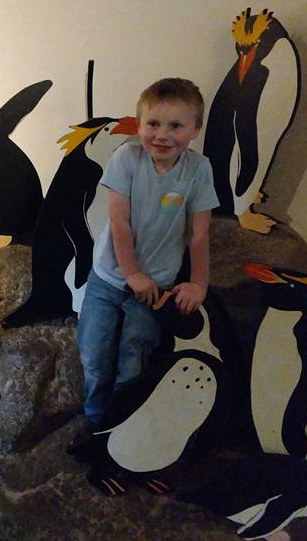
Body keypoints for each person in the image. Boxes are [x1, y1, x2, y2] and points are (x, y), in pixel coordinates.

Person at [72, 77, 219, 444]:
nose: (162, 135)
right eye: (153, 124)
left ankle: (122, 424)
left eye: (175, 126)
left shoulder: (198, 169)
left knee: (134, 358)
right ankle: (95, 421)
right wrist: (132, 273)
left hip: (156, 286)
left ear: (195, 130)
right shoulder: (126, 159)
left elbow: (199, 234)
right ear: (139, 125)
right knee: (94, 354)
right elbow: (119, 221)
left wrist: (198, 283)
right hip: (109, 277)